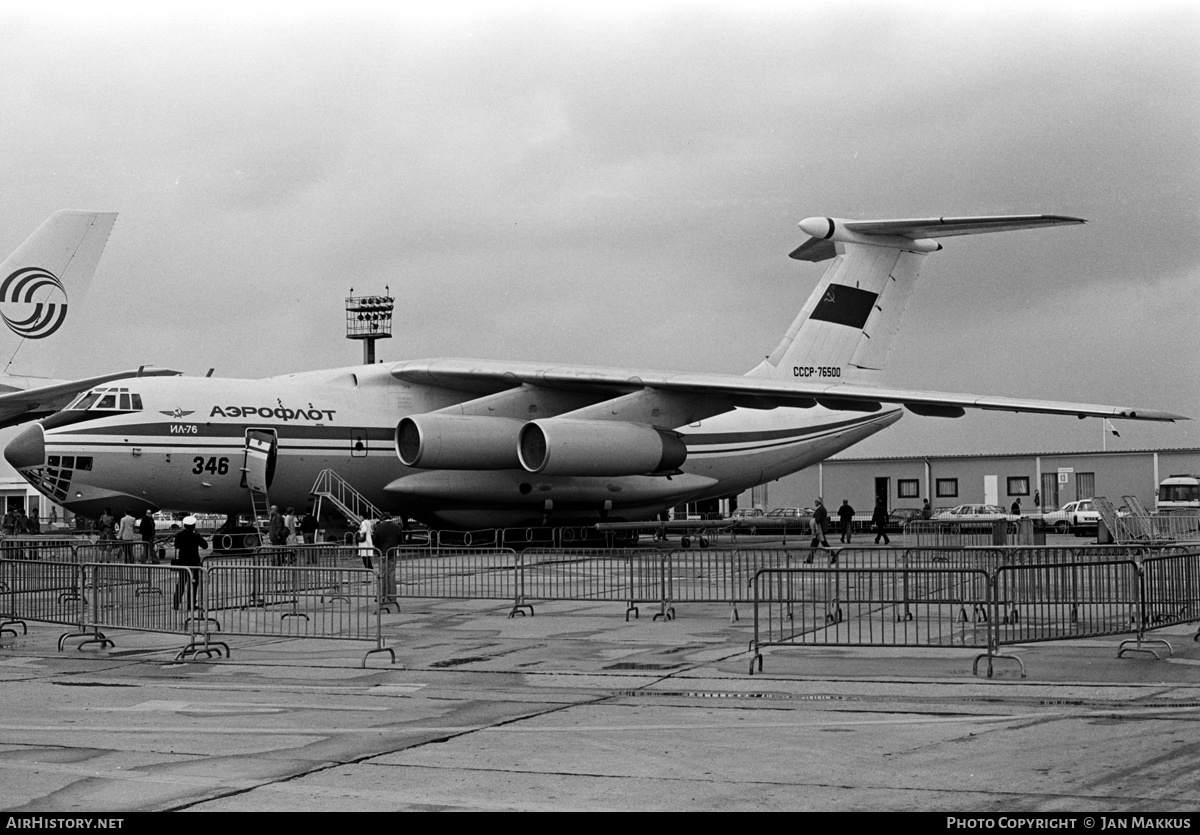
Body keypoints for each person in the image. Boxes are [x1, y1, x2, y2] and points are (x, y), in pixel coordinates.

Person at [172, 516, 209, 611]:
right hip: (194, 563)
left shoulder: (179, 535)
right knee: (193, 584)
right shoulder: (195, 535)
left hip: (183, 562)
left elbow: (176, 546)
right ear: (193, 525)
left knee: (181, 583)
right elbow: (205, 545)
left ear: (184, 525)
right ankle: (191, 604)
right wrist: (198, 536)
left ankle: (176, 604)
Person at [372, 511, 403, 605]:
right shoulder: (397, 526)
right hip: (392, 553)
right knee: (391, 574)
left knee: (382, 575)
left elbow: (375, 540)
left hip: (382, 553)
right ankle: (392, 596)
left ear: (382, 519)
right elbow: (400, 540)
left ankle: (381, 596)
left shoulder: (379, 527)